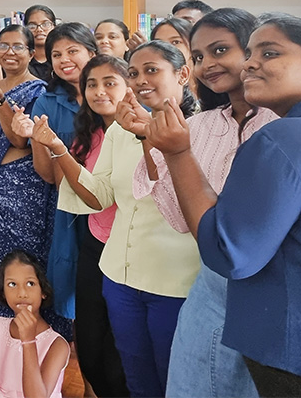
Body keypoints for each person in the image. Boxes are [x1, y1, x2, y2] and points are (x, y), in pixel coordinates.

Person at [145, 12, 301, 396]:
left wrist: (178, 153)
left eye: (269, 53)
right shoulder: (203, 122)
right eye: (198, 56)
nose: (252, 63)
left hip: (284, 334)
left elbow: (229, 251)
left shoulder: (279, 137)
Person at [53, 41, 200, 397]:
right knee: (131, 375)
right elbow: (100, 194)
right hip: (119, 275)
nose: (141, 80)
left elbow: (177, 203)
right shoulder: (119, 128)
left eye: (152, 71)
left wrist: (145, 135)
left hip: (175, 281)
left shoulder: (201, 128)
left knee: (174, 378)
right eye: (134, 73)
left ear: (182, 74)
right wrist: (58, 149)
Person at [16, 54, 131, 397]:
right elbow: (68, 183)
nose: (99, 92)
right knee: (92, 343)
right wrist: (47, 143)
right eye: (91, 84)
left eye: (109, 83)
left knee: (122, 346)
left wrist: (55, 147)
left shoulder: (143, 133)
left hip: (129, 250)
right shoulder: (91, 134)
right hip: (94, 243)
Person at [0, 25, 61, 333]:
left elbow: (19, 141)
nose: (10, 52)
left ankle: (26, 337)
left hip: (21, 191)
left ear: (32, 53)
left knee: (19, 263)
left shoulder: (38, 91)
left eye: (18, 47)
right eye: (4, 45)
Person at [19, 22, 98, 332]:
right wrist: (39, 140)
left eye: (73, 51)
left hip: (111, 207)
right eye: (56, 54)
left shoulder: (110, 95)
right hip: (68, 209)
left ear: (91, 52)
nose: (65, 59)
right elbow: (47, 175)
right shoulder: (46, 102)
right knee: (74, 285)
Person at [0, 250, 70, 398]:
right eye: (12, 284)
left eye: (30, 283)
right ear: (3, 292)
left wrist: (28, 341)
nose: (22, 293)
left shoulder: (57, 345)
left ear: (43, 291)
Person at [23, 5, 56, 81]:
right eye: (32, 25)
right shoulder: (22, 60)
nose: (39, 29)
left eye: (45, 24)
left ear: (54, 27)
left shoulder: (59, 59)